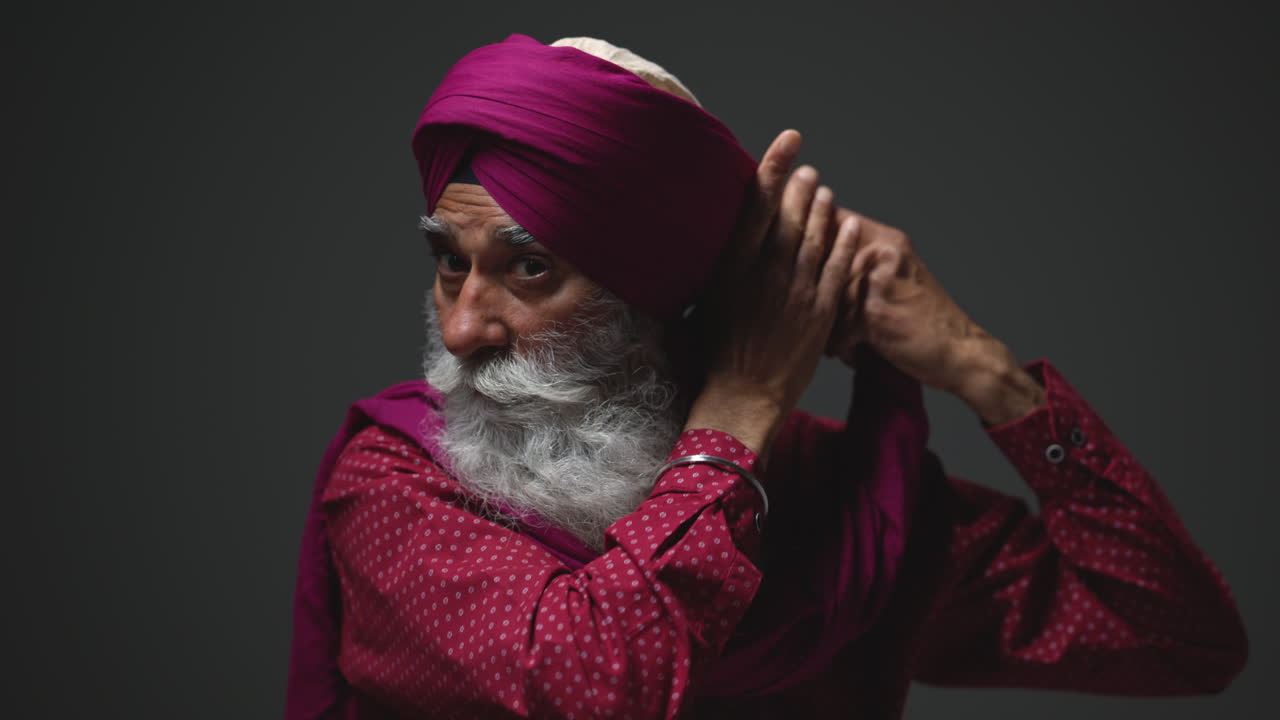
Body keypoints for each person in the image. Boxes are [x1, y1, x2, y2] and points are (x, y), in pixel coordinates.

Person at [286, 34, 1248, 720]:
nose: (461, 328)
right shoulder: (399, 479)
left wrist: (984, 369)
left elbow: (1178, 641)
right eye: (449, 261)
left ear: (653, 288)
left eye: (528, 267)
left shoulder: (832, 495)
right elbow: (595, 687)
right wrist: (740, 412)